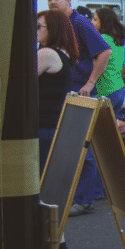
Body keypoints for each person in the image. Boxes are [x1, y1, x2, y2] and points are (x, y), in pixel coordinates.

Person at [48, 0, 112, 213]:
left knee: (81, 146)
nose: (52, 2)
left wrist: (90, 83)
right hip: (64, 92)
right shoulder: (56, 25)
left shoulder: (80, 23)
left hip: (79, 92)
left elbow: (105, 52)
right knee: (70, 146)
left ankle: (85, 200)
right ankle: (86, 193)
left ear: (68, 0)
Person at [36, 10, 76, 176]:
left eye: (38, 26)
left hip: (42, 125)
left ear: (53, 29)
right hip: (52, 123)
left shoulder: (46, 53)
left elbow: (18, 83)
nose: (34, 30)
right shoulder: (64, 54)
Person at [92, 7, 125, 115]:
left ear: (104, 22)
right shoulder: (118, 41)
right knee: (108, 127)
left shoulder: (101, 38)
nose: (91, 22)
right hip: (119, 89)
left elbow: (93, 65)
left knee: (96, 129)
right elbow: (121, 67)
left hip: (106, 90)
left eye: (95, 19)